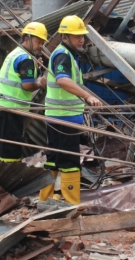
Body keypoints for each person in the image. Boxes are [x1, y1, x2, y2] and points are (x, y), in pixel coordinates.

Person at [39, 15, 101, 204]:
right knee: (70, 162)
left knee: (53, 159)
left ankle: (46, 199)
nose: (81, 39)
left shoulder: (65, 54)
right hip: (63, 118)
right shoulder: (63, 55)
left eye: (82, 35)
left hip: (59, 117)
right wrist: (87, 96)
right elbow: (63, 80)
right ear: (64, 37)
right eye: (76, 36)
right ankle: (71, 203)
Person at [0, 22, 48, 162]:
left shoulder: (16, 54)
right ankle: (10, 178)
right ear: (27, 39)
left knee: (7, 148)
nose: (41, 45)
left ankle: (6, 176)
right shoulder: (26, 59)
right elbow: (28, 85)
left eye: (42, 43)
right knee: (11, 151)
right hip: (10, 110)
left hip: (2, 107)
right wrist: (40, 83)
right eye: (38, 41)